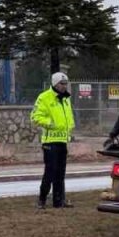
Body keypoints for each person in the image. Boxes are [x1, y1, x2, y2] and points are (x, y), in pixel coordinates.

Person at [33, 72, 76, 209]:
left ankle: (59, 201)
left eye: (65, 84)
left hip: (62, 140)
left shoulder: (65, 99)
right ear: (54, 83)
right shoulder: (44, 97)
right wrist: (50, 123)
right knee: (50, 171)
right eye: (61, 84)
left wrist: (70, 128)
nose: (64, 87)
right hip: (50, 141)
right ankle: (42, 200)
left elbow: (68, 117)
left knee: (60, 173)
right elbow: (35, 116)